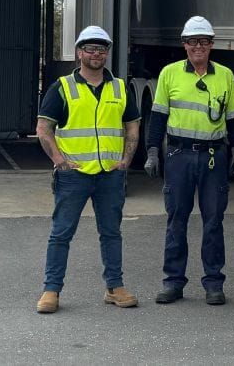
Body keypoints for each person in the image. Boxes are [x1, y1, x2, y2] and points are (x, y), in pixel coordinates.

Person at [34, 25, 141, 314]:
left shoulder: (119, 87)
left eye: (102, 49)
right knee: (61, 234)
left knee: (111, 233)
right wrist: (59, 160)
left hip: (110, 174)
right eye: (91, 48)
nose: (97, 54)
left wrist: (126, 160)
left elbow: (132, 125)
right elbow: (44, 129)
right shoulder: (63, 87)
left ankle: (115, 288)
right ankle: (51, 290)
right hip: (74, 176)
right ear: (80, 52)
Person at [144, 16, 234, 306]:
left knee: (214, 221)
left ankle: (214, 283)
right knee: (176, 220)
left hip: (213, 156)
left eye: (204, 41)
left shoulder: (224, 75)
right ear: (184, 45)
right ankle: (173, 282)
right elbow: (158, 117)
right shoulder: (169, 74)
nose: (198, 46)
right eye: (192, 41)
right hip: (178, 155)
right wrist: (151, 152)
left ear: (212, 45)